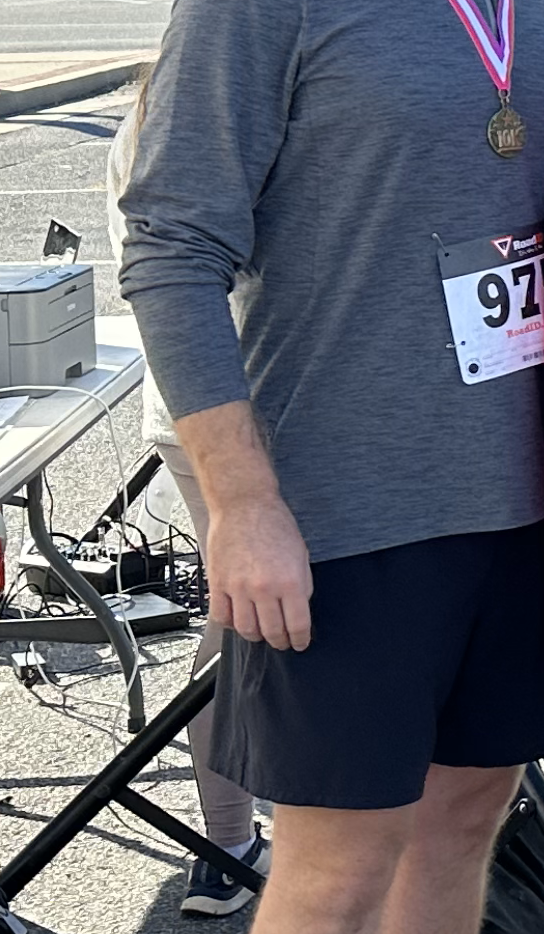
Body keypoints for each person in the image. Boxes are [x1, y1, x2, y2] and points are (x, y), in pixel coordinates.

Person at [118, 0, 544, 934]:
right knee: (333, 870)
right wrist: (242, 504)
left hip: (513, 501)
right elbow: (171, 246)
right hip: (335, 513)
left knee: (464, 828)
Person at [104, 91, 270, 916]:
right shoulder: (219, 99)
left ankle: (229, 838)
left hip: (185, 406)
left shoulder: (151, 103)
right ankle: (237, 838)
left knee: (234, 612)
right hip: (253, 404)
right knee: (254, 614)